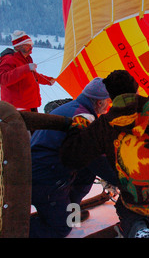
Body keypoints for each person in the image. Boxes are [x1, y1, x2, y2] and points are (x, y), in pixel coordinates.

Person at [60, 59, 149, 238]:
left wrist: (79, 125)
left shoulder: (103, 126)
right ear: (137, 89)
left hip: (140, 202)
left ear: (111, 98)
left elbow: (71, 156)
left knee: (125, 206)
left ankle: (138, 227)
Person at [30, 77, 116, 238]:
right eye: (108, 101)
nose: (109, 105)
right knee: (61, 228)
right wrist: (124, 181)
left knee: (86, 171)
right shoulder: (82, 118)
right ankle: (14, 230)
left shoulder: (74, 108)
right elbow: (96, 159)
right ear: (99, 102)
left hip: (44, 169)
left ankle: (68, 206)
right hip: (45, 180)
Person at [0, 30, 55, 112]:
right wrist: (26, 68)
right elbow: (3, 79)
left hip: (30, 105)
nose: (31, 47)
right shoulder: (8, 59)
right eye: (27, 45)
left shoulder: (26, 58)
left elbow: (32, 75)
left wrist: (48, 80)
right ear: (18, 46)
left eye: (31, 45)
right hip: (17, 108)